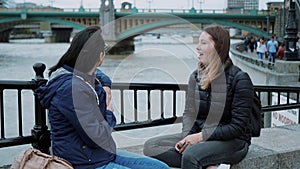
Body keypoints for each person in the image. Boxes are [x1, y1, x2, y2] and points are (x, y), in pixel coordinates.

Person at [37, 26, 169, 169]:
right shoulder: (72, 89)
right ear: (100, 56)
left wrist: (105, 84)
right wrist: (109, 113)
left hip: (99, 155)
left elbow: (97, 73)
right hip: (83, 162)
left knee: (160, 167)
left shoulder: (74, 74)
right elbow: (95, 138)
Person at [143, 25, 254, 169]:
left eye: (203, 43)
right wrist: (187, 137)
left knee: (191, 156)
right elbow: (189, 113)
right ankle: (208, 161)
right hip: (200, 136)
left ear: (218, 47)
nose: (197, 47)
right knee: (151, 147)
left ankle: (202, 157)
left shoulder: (239, 79)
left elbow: (237, 127)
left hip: (233, 141)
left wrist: (201, 137)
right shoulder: (195, 77)